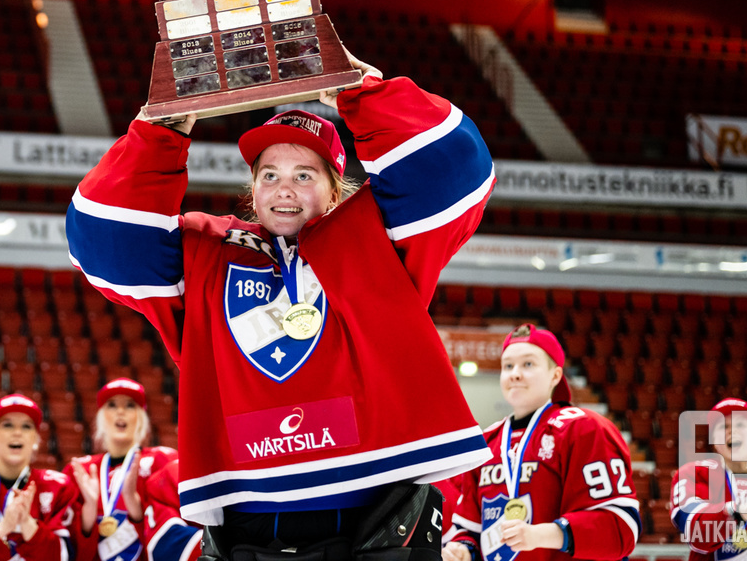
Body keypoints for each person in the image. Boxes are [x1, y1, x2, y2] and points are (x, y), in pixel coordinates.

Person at [67, 57, 496, 554]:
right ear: (252, 190)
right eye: (268, 175)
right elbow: (103, 242)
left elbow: (454, 171)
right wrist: (159, 132)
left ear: (337, 190)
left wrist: (364, 93)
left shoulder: (374, 238)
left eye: (304, 175)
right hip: (249, 531)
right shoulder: (208, 252)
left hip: (375, 523)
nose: (284, 189)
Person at [444, 324, 640, 561]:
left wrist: (542, 535)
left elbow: (621, 528)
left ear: (555, 376)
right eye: (508, 366)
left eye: (528, 364)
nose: (515, 373)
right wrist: (463, 550)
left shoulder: (584, 429)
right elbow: (470, 531)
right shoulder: (486, 443)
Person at [67, 379, 201, 561]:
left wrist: (135, 507)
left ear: (141, 417)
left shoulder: (162, 461)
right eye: (112, 405)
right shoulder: (81, 471)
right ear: (100, 416)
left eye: (130, 406)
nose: (120, 412)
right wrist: (89, 511)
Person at [0, 393, 79, 561]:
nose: (17, 433)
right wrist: (4, 527)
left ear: (36, 440)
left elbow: (64, 556)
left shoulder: (57, 486)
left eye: (26, 426)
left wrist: (27, 524)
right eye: (7, 425)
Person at [669, 398, 747, 560]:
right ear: (714, 442)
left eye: (740, 425)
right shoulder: (694, 474)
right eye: (723, 427)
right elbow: (695, 533)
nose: (732, 431)